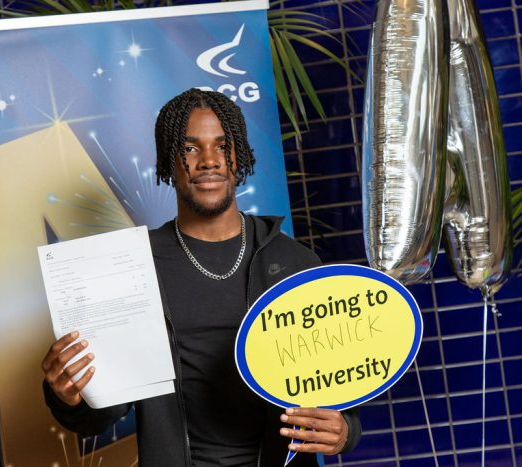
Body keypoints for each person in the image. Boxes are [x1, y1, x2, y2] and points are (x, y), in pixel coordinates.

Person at [41, 88, 361, 466]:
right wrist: (67, 395)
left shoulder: (295, 264)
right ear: (169, 162)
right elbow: (105, 413)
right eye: (190, 148)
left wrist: (345, 433)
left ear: (237, 156)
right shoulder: (133, 267)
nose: (209, 161)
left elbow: (336, 387)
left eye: (222, 146)